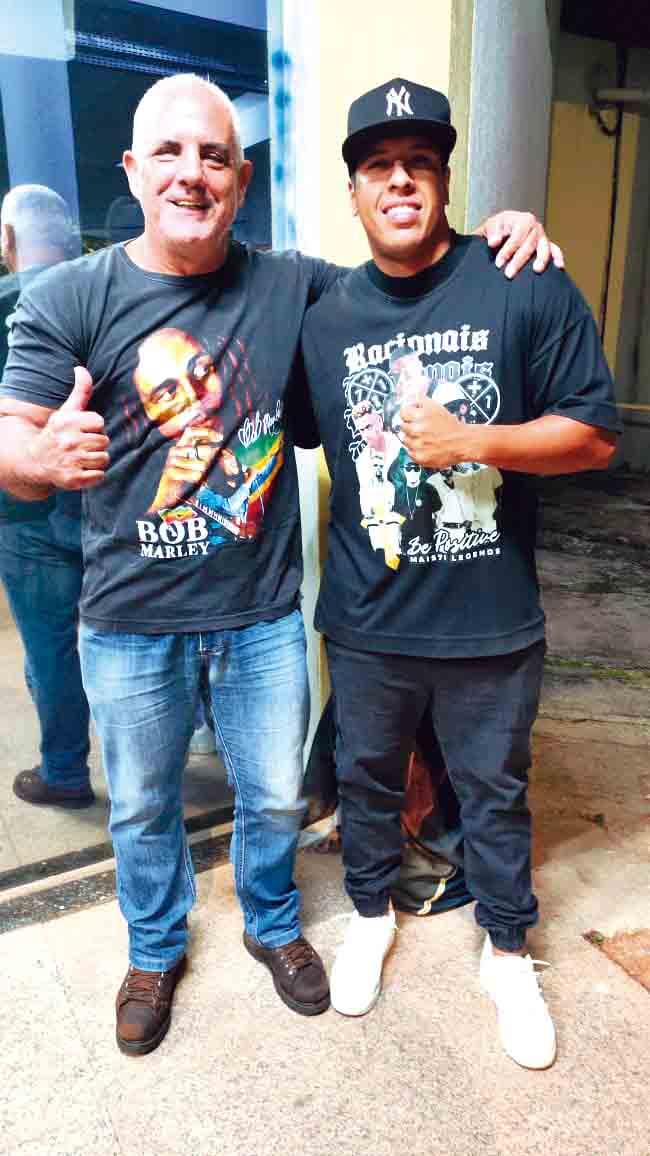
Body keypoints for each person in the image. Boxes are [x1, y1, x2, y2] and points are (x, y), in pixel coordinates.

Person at [0, 72, 559, 1057]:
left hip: (260, 615)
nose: (191, 172)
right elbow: (12, 431)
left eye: (213, 155)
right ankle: (153, 949)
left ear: (240, 179)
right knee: (141, 807)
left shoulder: (291, 284)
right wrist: (38, 459)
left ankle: (269, 920)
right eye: (169, 152)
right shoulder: (70, 295)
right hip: (127, 618)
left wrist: (501, 238)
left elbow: (410, 271)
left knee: (269, 797)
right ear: (131, 170)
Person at [301, 77, 620, 1069]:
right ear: (353, 191)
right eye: (378, 166)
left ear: (444, 181)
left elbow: (593, 435)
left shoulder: (522, 277)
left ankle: (508, 952)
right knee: (364, 782)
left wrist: (470, 439)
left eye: (419, 164)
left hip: (491, 618)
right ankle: (368, 917)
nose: (399, 181)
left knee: (494, 793)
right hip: (368, 618)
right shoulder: (323, 314)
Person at [0, 185, 93, 809]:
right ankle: (202, 739)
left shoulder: (5, 301)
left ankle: (64, 771)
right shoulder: (101, 295)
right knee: (149, 632)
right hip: (108, 501)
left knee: (50, 646)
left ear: (7, 240)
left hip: (24, 510)